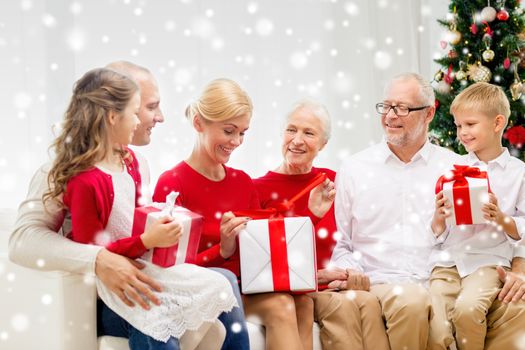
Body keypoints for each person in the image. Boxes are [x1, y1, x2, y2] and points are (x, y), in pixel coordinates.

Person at [9, 61, 249, 350]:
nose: (160, 117)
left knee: (222, 282)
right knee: (154, 312)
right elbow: (23, 240)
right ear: (113, 113)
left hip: (137, 272)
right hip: (97, 295)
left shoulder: (136, 165)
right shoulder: (66, 172)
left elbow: (130, 231)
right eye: (148, 107)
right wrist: (99, 259)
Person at [330, 72, 525, 350]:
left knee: (512, 307)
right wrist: (350, 275)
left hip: (443, 275)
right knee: (415, 304)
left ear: (429, 114)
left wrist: (520, 268)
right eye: (386, 106)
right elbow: (342, 245)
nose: (390, 116)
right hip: (388, 281)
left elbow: (480, 231)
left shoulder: (458, 168)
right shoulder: (354, 169)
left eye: (402, 108)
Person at [153, 78, 314, 350]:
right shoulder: (173, 183)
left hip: (245, 287)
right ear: (198, 124)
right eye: (229, 131)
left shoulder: (242, 181)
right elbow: (169, 270)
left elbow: (263, 249)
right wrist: (223, 250)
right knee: (282, 306)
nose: (237, 141)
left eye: (243, 132)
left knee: (304, 303)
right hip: (204, 292)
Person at [253, 98, 389, 350]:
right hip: (302, 290)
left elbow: (356, 238)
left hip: (334, 284)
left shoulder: (333, 182)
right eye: (291, 130)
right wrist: (313, 277)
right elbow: (260, 263)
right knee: (346, 306)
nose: (297, 140)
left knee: (368, 303)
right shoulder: (257, 189)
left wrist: (349, 273)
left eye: (309, 133)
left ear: (323, 143)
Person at [428, 82, 525, 349]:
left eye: (470, 124)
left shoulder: (518, 173)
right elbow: (437, 231)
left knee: (467, 311)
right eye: (459, 126)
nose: (462, 133)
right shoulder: (451, 168)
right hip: (447, 262)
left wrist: (501, 218)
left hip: (488, 261)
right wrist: (439, 216)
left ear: (497, 123)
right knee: (435, 324)